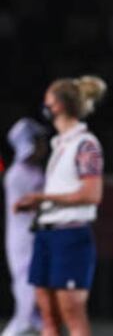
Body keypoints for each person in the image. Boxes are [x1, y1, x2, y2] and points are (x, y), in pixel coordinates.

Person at [15, 76, 107, 336]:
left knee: (72, 315)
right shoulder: (59, 144)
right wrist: (38, 205)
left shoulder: (85, 144)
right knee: (48, 315)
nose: (45, 105)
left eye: (48, 100)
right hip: (47, 234)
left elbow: (92, 194)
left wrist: (42, 199)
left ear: (60, 105)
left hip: (70, 235)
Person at [3, 119, 48, 336]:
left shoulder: (33, 170)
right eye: (39, 141)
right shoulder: (17, 174)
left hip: (35, 238)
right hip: (24, 240)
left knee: (28, 312)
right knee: (28, 299)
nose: (44, 146)